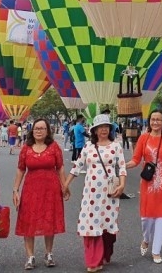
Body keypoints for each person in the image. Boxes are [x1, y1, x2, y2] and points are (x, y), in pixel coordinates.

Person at [64, 114, 126, 273]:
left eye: (107, 126)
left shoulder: (116, 146)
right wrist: (65, 184)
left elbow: (122, 167)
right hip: (90, 195)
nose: (104, 129)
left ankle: (105, 252)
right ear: (95, 130)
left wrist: (122, 185)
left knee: (105, 225)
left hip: (110, 193)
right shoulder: (88, 147)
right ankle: (94, 260)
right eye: (100, 127)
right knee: (91, 225)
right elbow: (77, 167)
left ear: (110, 129)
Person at [12, 118, 69, 270]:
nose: (38, 131)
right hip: (31, 190)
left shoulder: (54, 147)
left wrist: (64, 186)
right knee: (28, 220)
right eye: (36, 128)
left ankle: (48, 254)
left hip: (51, 190)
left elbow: (60, 168)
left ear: (47, 131)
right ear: (32, 130)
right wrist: (15, 190)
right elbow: (20, 169)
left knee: (49, 220)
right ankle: (30, 256)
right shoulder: (26, 148)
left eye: (42, 128)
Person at [125, 109, 162, 264]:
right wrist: (122, 166)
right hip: (147, 184)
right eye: (153, 119)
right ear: (149, 121)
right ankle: (146, 238)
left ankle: (156, 250)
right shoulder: (143, 138)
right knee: (147, 218)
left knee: (161, 217)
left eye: (158, 120)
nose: (155, 122)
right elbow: (135, 159)